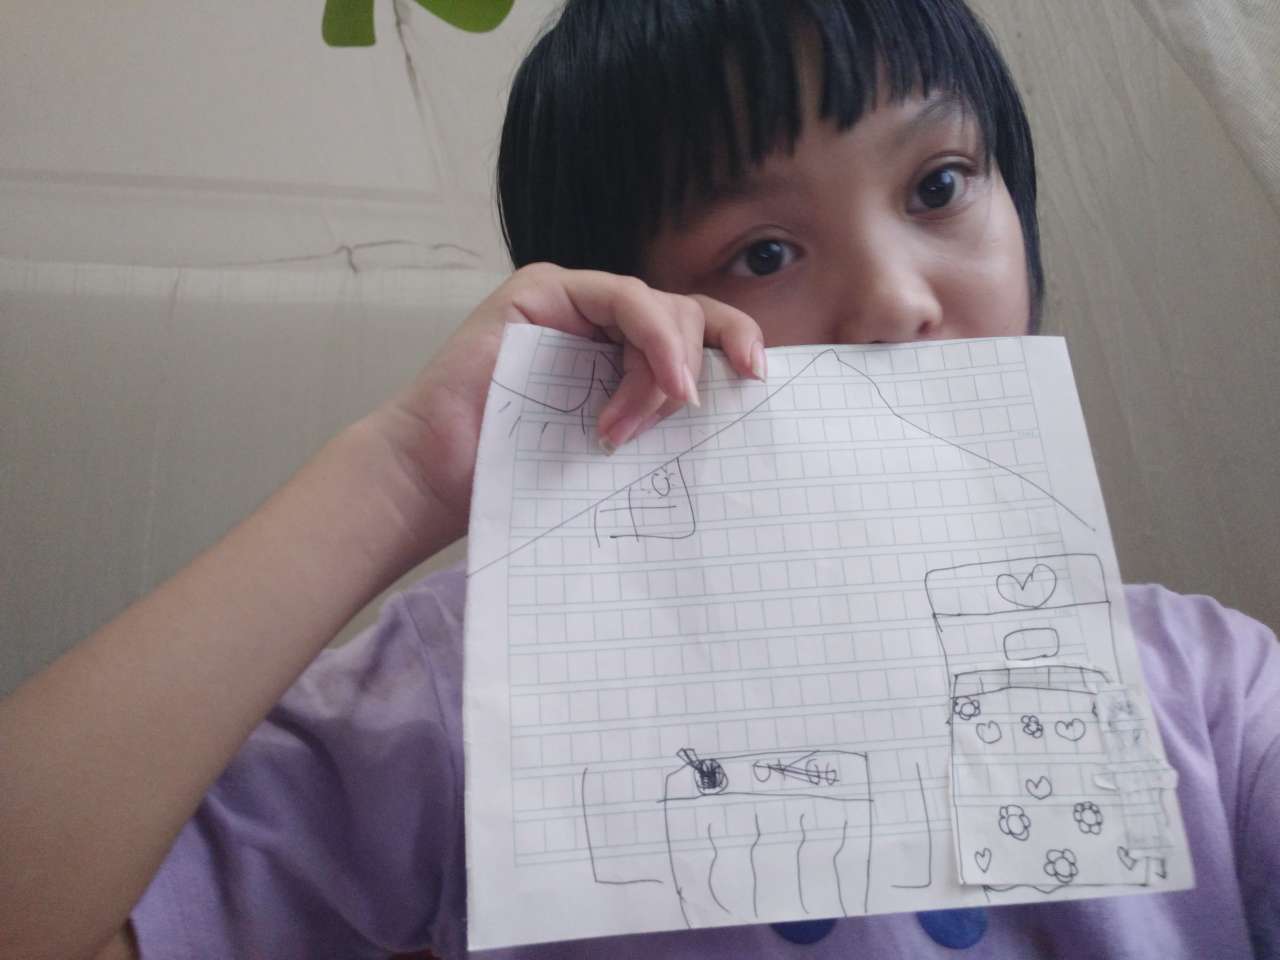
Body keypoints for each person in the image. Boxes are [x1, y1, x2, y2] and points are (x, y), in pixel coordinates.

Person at [1, 1, 1276, 958]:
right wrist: (396, 476)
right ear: (629, 319)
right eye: (761, 250)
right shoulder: (477, 689)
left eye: (938, 185)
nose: (895, 301)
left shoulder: (1210, 693)